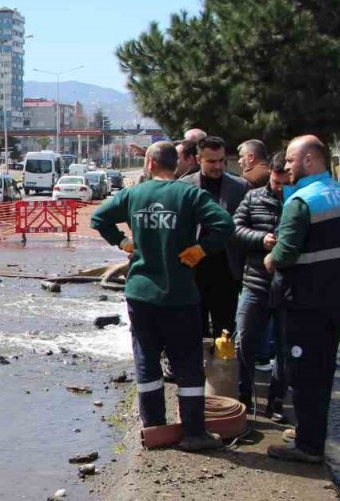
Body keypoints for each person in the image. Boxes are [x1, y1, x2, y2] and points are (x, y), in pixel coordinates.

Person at [91, 141, 234, 452]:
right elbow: (224, 223)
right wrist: (201, 249)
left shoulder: (133, 195)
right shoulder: (190, 194)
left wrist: (124, 243)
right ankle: (194, 433)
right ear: (178, 165)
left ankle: (154, 426)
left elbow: (99, 218)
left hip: (140, 292)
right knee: (188, 363)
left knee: (146, 358)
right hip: (180, 293)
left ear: (150, 164)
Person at [264, 135, 340, 463]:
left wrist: (270, 258)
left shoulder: (302, 202)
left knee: (304, 371)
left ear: (308, 161)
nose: (286, 166)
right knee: (323, 369)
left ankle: (308, 446)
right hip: (339, 297)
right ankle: (310, 431)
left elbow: (286, 252)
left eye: (291, 160)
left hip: (307, 301)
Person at [232, 151, 290, 417]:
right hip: (255, 282)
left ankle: (276, 401)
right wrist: (260, 239)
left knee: (284, 346)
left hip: (289, 286)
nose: (280, 189)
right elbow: (236, 227)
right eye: (277, 183)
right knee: (244, 340)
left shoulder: (299, 200)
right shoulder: (253, 197)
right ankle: (244, 395)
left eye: (285, 184)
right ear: (271, 177)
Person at [180, 136, 248, 340]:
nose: (218, 166)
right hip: (193, 268)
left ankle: (222, 369)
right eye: (211, 161)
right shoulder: (183, 187)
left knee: (225, 329)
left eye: (221, 160)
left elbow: (244, 226)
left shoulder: (240, 187)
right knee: (193, 327)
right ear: (198, 159)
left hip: (227, 269)